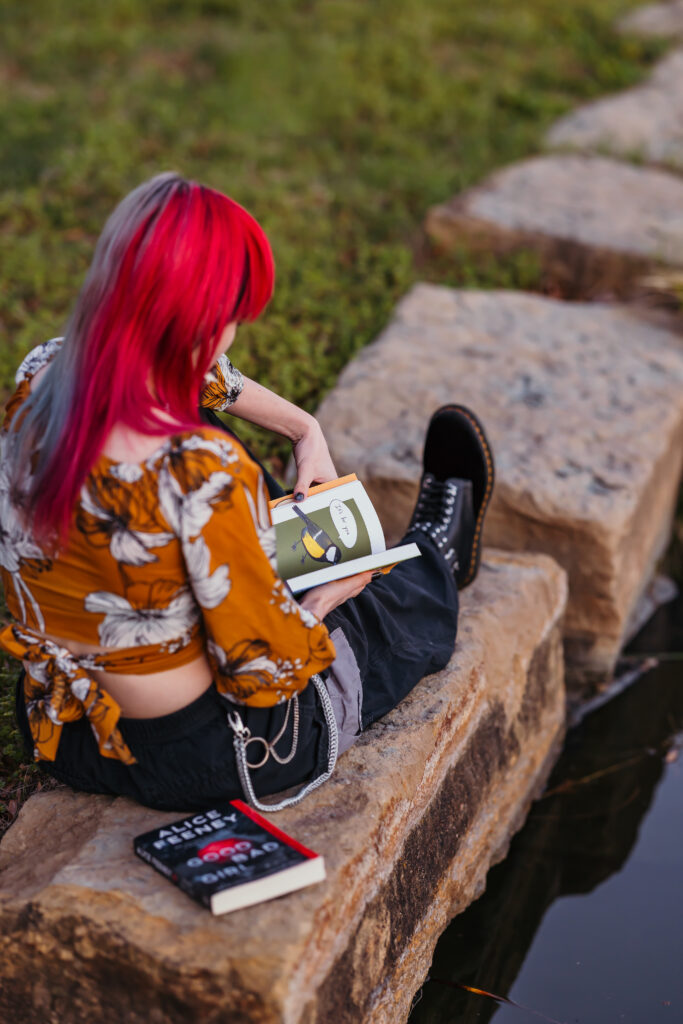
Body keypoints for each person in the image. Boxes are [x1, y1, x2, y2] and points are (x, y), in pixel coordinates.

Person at [0, 173, 494, 813]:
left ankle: (294, 567)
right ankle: (438, 558)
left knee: (215, 495)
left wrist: (303, 428)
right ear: (206, 324)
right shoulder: (202, 471)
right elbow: (265, 668)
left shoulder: (41, 374)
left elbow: (197, 378)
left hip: (67, 727)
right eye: (231, 315)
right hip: (200, 748)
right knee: (368, 613)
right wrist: (324, 599)